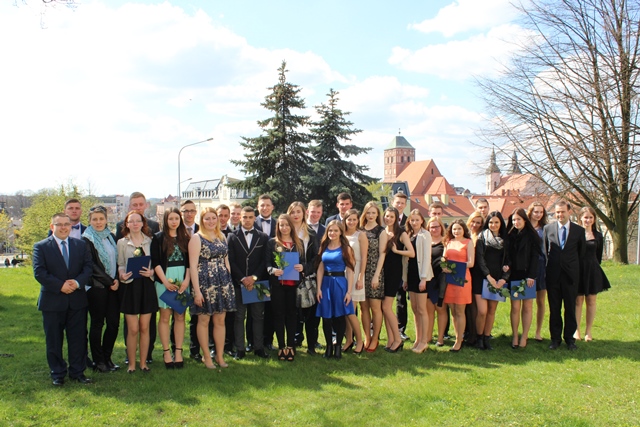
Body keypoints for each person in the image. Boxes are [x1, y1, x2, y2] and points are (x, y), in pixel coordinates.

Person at [33, 213, 93, 386]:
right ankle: (57, 373)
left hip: (77, 300)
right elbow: (39, 272)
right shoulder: (41, 247)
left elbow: (88, 268)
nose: (64, 227)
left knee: (78, 339)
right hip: (53, 301)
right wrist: (60, 286)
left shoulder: (80, 245)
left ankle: (77, 372)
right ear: (52, 226)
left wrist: (77, 283)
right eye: (59, 224)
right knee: (54, 340)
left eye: (67, 224)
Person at [116, 192, 160, 365]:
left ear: (143, 223)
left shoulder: (151, 239)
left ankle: (145, 360)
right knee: (132, 328)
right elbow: (120, 263)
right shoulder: (121, 241)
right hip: (129, 286)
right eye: (131, 221)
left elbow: (156, 262)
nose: (135, 223)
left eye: (138, 221)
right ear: (126, 224)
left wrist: (152, 273)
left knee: (145, 327)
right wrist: (121, 274)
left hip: (147, 286)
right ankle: (131, 361)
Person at [189, 207, 236, 369]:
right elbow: (193, 266)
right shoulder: (197, 238)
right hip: (205, 283)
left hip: (223, 282)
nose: (211, 221)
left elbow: (226, 261)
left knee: (220, 320)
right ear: (202, 220)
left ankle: (219, 356)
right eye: (207, 218)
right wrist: (197, 291)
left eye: (213, 218)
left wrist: (229, 282)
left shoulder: (222, 236)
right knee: (204, 320)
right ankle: (206, 356)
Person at [543, 200, 586, 351]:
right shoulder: (548, 229)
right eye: (557, 212)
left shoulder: (578, 231)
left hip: (570, 276)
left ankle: (570, 339)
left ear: (569, 212)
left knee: (570, 308)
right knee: (554, 309)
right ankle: (555, 339)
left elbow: (581, 254)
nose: (560, 215)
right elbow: (545, 252)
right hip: (553, 276)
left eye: (562, 212)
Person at [227, 206, 270, 359]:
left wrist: (254, 277)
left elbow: (265, 260)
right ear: (240, 218)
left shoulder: (263, 237)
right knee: (239, 317)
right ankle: (240, 349)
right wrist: (243, 279)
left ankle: (258, 347)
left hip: (258, 283)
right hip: (239, 283)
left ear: (254, 218)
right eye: (244, 217)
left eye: (250, 217)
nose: (247, 220)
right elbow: (231, 261)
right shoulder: (232, 237)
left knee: (258, 316)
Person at [151, 208, 191, 369]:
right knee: (164, 317)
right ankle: (166, 352)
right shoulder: (158, 238)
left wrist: (186, 281)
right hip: (164, 280)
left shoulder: (186, 238)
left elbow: (190, 262)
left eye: (176, 218)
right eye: (171, 219)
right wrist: (165, 282)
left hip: (182, 280)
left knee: (180, 316)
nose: (174, 222)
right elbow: (155, 262)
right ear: (165, 220)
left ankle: (179, 351)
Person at [82, 205, 120, 373]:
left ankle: (107, 357)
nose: (98, 222)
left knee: (113, 324)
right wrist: (110, 281)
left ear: (106, 220)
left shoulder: (111, 236)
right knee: (98, 324)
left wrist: (116, 279)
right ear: (89, 221)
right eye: (95, 219)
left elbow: (118, 260)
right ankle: (99, 361)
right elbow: (92, 266)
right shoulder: (86, 239)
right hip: (97, 288)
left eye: (101, 219)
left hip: (113, 287)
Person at [267, 214, 309, 361]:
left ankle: (291, 345)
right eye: (281, 225)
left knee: (292, 315)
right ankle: (281, 346)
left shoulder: (299, 243)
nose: (284, 228)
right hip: (278, 285)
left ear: (291, 226)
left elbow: (304, 262)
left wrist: (302, 267)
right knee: (278, 315)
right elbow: (267, 264)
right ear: (277, 227)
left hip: (293, 286)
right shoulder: (272, 243)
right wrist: (273, 270)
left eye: (287, 225)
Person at [316, 220, 356, 359]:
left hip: (340, 284)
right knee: (326, 317)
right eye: (330, 230)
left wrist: (349, 292)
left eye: (335, 230)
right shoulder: (324, 246)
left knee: (339, 316)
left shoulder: (346, 248)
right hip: (326, 284)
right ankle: (328, 347)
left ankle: (338, 346)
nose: (332, 233)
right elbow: (320, 268)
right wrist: (318, 288)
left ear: (340, 232)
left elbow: (350, 271)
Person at [381, 207, 415, 353]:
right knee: (384, 308)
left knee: (386, 307)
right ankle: (390, 340)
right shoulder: (383, 232)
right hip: (383, 272)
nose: (388, 219)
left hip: (394, 273)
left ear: (396, 218)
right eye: (387, 216)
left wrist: (396, 251)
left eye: (391, 217)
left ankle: (398, 339)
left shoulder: (401, 233)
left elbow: (411, 252)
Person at [574, 206, 610, 342]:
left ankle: (588, 331)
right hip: (578, 270)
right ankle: (576, 330)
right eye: (585, 217)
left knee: (591, 301)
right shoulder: (575, 234)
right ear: (580, 218)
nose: (588, 220)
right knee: (578, 301)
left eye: (590, 217)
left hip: (592, 270)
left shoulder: (598, 236)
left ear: (594, 219)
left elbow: (598, 256)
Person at [475, 211, 510, 350]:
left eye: (496, 222)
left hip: (497, 280)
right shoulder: (481, 238)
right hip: (482, 278)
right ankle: (478, 338)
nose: (493, 225)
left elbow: (508, 261)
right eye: (490, 222)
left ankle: (486, 338)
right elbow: (480, 259)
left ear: (501, 223)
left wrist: (503, 279)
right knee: (482, 311)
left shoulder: (506, 240)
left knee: (491, 310)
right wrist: (488, 276)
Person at [288, 201, 320, 354]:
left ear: (304, 213)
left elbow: (316, 257)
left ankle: (312, 345)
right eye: (292, 212)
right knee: (293, 313)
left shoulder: (310, 233)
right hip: (289, 279)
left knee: (310, 313)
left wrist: (305, 268)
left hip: (308, 279)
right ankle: (294, 342)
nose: (295, 215)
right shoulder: (284, 231)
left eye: (298, 212)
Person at [507, 208, 541, 349]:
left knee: (527, 307)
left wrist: (531, 275)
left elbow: (535, 256)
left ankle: (524, 336)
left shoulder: (532, 235)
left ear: (525, 220)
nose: (516, 222)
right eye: (514, 220)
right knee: (515, 307)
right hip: (514, 275)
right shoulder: (510, 235)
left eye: (518, 219)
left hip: (528, 276)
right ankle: (515, 335)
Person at [402, 209, 433, 353]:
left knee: (422, 309)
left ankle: (424, 341)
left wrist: (424, 278)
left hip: (421, 275)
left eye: (417, 220)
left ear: (422, 221)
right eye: (412, 220)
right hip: (411, 274)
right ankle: (418, 338)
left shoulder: (425, 234)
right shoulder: (409, 235)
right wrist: (405, 279)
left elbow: (427, 257)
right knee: (414, 309)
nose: (414, 222)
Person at [442, 219, 475, 352]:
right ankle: (457, 336)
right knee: (453, 311)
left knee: (460, 311)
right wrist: (444, 266)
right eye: (454, 229)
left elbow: (471, 263)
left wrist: (455, 267)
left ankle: (459, 340)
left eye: (459, 229)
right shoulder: (448, 242)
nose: (456, 231)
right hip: (450, 279)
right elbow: (444, 258)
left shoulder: (468, 242)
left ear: (463, 230)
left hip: (462, 279)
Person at [360, 201, 385, 352]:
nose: (370, 215)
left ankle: (375, 338)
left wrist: (376, 275)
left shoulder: (381, 231)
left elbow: (382, 254)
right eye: (368, 212)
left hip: (375, 272)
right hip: (361, 272)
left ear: (377, 214)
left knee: (375, 308)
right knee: (363, 307)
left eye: (373, 213)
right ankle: (367, 337)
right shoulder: (360, 230)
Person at [343, 209, 367, 354]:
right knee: (345, 311)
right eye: (349, 219)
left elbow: (364, 258)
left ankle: (360, 341)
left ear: (358, 220)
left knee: (351, 310)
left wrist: (360, 278)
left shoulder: (361, 235)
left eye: (354, 219)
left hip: (356, 272)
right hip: (343, 274)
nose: (351, 222)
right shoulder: (341, 234)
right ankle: (348, 339)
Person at [425, 217, 448, 346]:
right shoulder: (425, 241)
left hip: (441, 280)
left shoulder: (446, 242)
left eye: (436, 226)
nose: (434, 229)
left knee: (440, 309)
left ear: (441, 227)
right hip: (428, 279)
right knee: (429, 310)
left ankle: (440, 338)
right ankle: (428, 337)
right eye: (432, 227)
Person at [527, 201, 548, 342]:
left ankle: (538, 331)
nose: (538, 214)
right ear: (530, 212)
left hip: (541, 266)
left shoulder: (545, 229)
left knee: (541, 300)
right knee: (527, 302)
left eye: (541, 212)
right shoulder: (524, 226)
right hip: (527, 267)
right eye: (536, 212)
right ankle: (524, 332)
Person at [464, 211, 485, 346]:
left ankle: (475, 334)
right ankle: (468, 332)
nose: (475, 225)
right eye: (473, 221)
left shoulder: (482, 236)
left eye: (478, 222)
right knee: (466, 305)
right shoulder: (466, 235)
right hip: (465, 272)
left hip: (477, 273)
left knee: (475, 307)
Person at [392, 192, 410, 341]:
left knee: (401, 299)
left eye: (402, 203)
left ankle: (401, 329)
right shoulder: (385, 219)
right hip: (386, 264)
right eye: (397, 202)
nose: (399, 205)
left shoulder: (408, 222)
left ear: (405, 205)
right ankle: (373, 328)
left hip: (402, 264)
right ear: (393, 202)